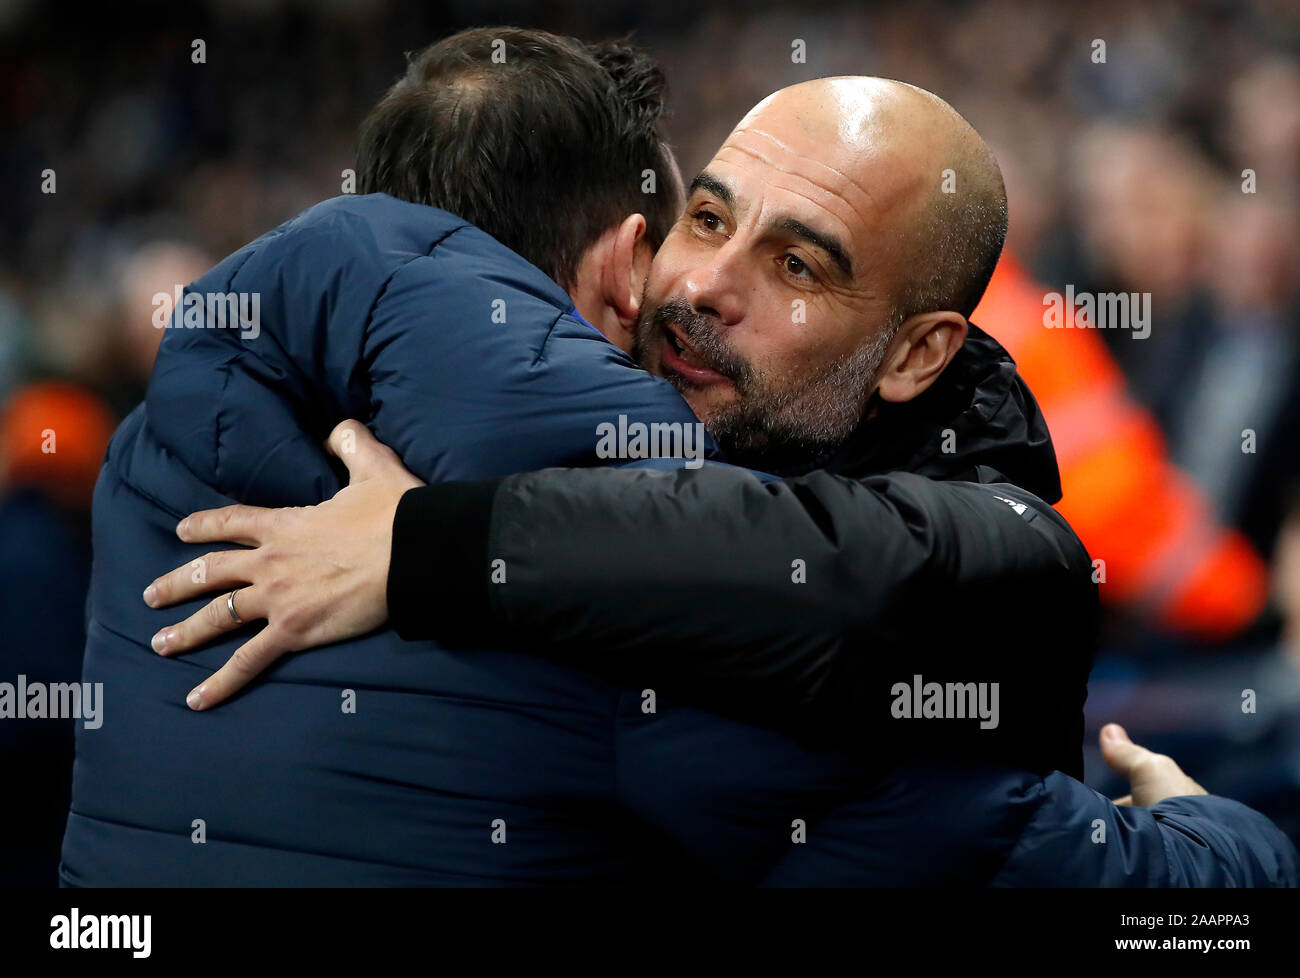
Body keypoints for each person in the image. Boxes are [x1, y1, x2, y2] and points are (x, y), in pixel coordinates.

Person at [68, 27, 1295, 884]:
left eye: (795, 263)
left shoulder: (165, 453)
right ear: (620, 252)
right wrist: (1225, 849)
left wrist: (430, 544)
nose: (701, 283)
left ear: (921, 354)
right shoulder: (645, 632)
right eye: (704, 218)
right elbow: (1016, 848)